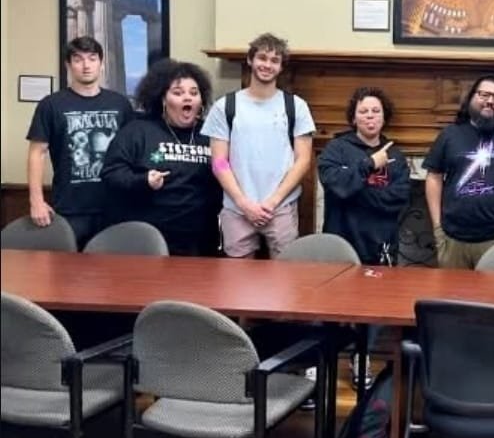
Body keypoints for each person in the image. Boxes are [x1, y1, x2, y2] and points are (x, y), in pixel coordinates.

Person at [202, 33, 315, 259]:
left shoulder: (296, 107)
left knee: (286, 280)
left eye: (275, 60)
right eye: (262, 58)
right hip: (237, 208)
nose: (267, 65)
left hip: (282, 207)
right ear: (250, 60)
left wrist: (273, 201)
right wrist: (244, 203)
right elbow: (219, 161)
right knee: (237, 282)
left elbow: (303, 160)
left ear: (281, 67)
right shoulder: (225, 106)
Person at [101, 59, 222, 256]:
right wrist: (143, 180)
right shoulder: (138, 130)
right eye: (178, 92)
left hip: (200, 240)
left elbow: (224, 169)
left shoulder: (211, 134)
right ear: (163, 99)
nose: (187, 98)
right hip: (150, 239)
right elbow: (111, 172)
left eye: (194, 93)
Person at [26, 36, 135, 249]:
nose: (86, 65)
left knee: (113, 275)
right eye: (78, 59)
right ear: (68, 65)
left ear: (102, 64)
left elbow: (132, 151)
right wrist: (36, 201)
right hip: (69, 208)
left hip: (114, 206)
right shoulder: (51, 105)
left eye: (92, 58)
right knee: (68, 275)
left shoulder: (120, 104)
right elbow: (36, 153)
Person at [424, 75, 494, 269]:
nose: (490, 101)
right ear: (471, 98)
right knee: (451, 297)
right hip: (452, 239)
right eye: (484, 95)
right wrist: (437, 227)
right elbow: (434, 177)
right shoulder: (450, 134)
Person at [318, 86, 410, 265]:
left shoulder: (396, 156)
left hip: (381, 244)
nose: (370, 115)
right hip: (342, 244)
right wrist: (369, 164)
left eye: (376, 111)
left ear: (384, 117)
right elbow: (333, 183)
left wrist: (351, 190)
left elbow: (399, 199)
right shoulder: (335, 148)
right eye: (363, 111)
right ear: (353, 118)